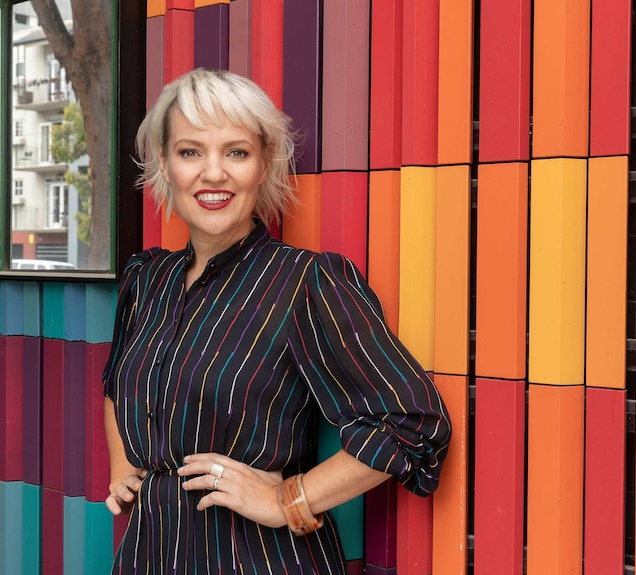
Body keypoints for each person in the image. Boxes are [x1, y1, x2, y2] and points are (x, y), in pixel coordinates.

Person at [102, 68, 451, 574]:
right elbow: (117, 380)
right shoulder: (147, 280)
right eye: (191, 151)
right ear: (165, 163)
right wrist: (126, 464)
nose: (214, 173)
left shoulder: (306, 283)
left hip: (258, 560)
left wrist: (289, 499)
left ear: (263, 165)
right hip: (149, 556)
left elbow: (413, 421)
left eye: (236, 152)